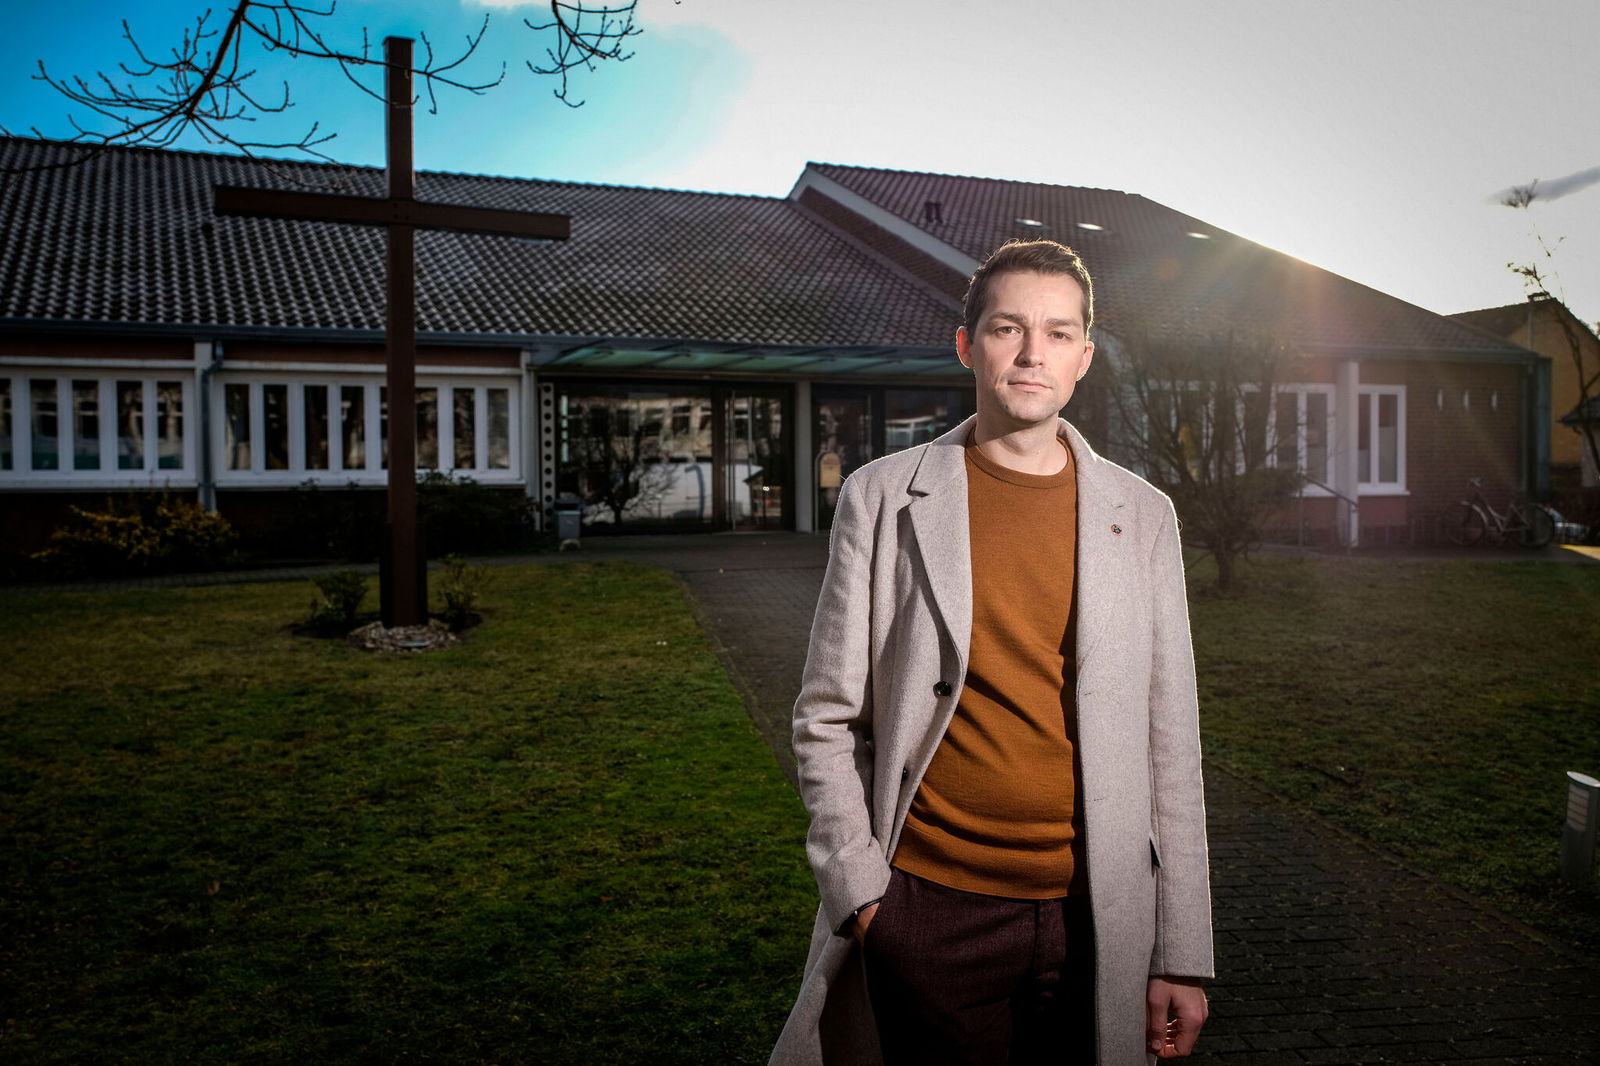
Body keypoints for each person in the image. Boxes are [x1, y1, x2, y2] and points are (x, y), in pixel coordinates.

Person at [769, 239, 1213, 1066]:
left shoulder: (1144, 514)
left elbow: (1171, 742)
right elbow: (825, 717)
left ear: (1085, 357)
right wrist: (864, 897)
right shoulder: (881, 497)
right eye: (1009, 328)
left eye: (1058, 332)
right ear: (967, 345)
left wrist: (1181, 950)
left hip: (1100, 913)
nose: (1033, 352)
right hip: (929, 907)